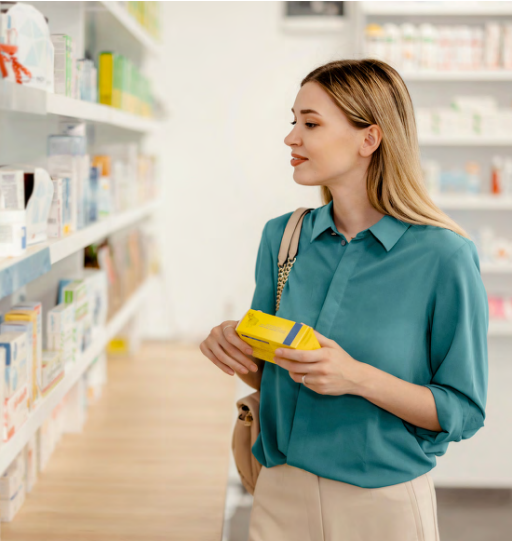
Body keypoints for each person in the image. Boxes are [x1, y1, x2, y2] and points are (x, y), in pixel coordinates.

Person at [199, 58, 489, 541]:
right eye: (294, 122)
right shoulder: (284, 238)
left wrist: (357, 378)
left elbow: (462, 411)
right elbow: (270, 372)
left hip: (382, 507)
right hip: (278, 494)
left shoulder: (444, 256)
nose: (292, 138)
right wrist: (232, 346)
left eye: (310, 123)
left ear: (369, 139)